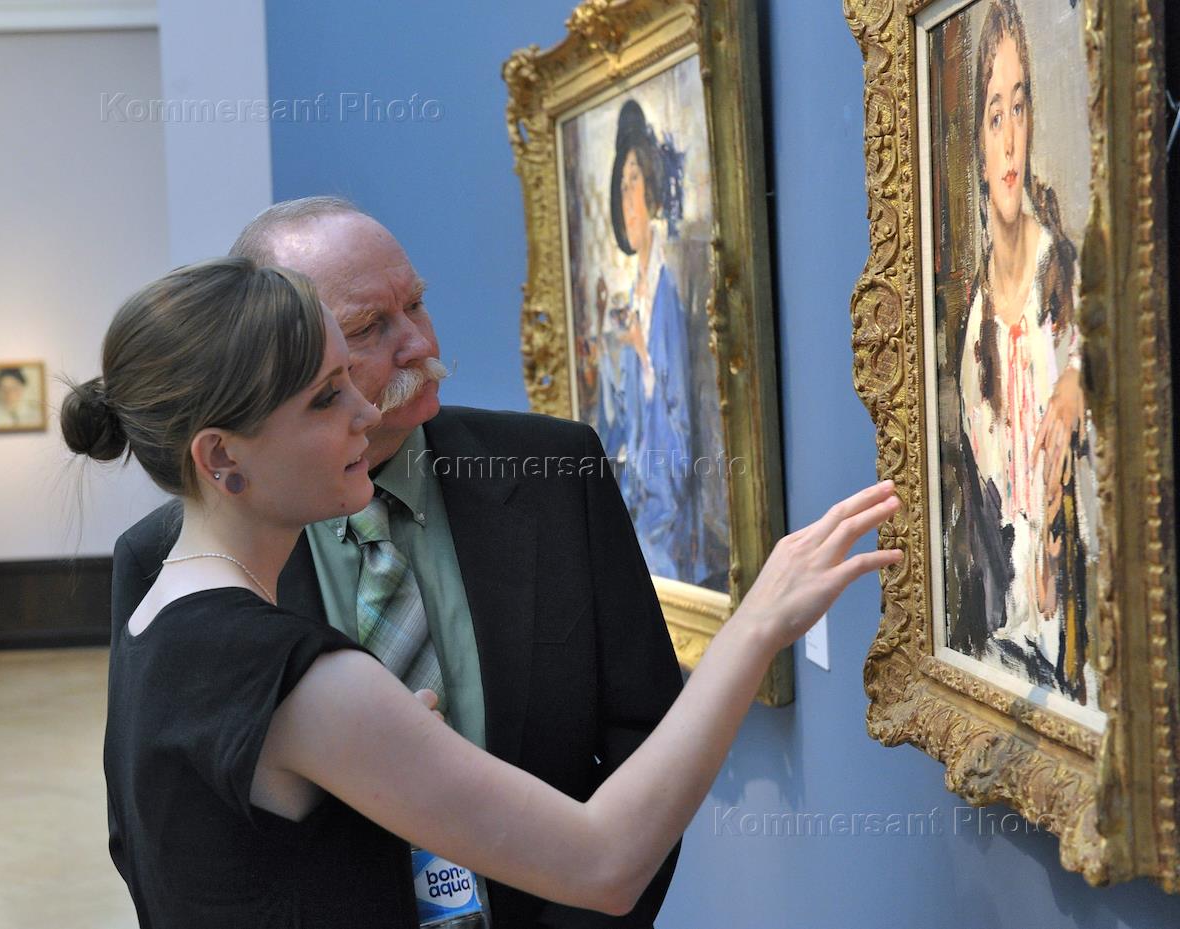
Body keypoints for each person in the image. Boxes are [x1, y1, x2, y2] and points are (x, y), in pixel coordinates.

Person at [65, 257, 900, 927]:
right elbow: (607, 861)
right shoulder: (309, 682)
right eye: (324, 398)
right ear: (221, 457)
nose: (366, 411)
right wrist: (756, 627)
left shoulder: (160, 618)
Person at [112, 198, 685, 928]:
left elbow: (643, 732)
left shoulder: (554, 470)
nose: (418, 344)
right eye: (365, 330)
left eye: (415, 303)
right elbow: (153, 830)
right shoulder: (163, 565)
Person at [955, 0, 1094, 700]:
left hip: (1070, 648)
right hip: (1000, 653)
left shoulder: (1063, 277)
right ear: (978, 145)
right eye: (994, 116)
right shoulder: (972, 328)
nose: (1010, 140)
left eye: (1019, 107)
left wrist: (1079, 380)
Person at [599, 100, 697, 584]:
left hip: (665, 509)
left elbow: (679, 415)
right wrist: (613, 356)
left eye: (634, 181)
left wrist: (640, 350)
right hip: (635, 494)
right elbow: (617, 421)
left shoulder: (666, 290)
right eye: (621, 186)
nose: (627, 198)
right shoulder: (630, 295)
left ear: (653, 189)